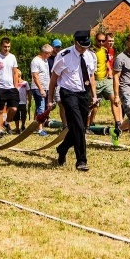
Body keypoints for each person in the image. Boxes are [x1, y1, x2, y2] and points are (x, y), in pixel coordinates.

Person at [47, 30, 97, 171]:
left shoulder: (90, 56)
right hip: (68, 93)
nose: (84, 49)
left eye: (87, 46)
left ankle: (62, 149)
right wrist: (50, 100)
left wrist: (94, 95)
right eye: (82, 46)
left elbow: (91, 76)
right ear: (76, 42)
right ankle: (81, 161)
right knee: (79, 127)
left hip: (83, 93)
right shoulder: (64, 56)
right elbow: (53, 81)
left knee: (77, 127)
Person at [88, 32, 122, 138]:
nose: (102, 43)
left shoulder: (105, 50)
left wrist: (110, 70)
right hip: (95, 81)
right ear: (95, 40)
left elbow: (106, 61)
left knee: (115, 99)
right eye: (99, 41)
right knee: (92, 105)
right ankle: (87, 125)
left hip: (106, 80)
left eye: (103, 41)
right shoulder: (90, 51)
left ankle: (118, 124)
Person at [0, 37, 19, 139]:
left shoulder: (12, 57)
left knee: (14, 109)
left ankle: (6, 122)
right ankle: (0, 130)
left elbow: (15, 73)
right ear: (1, 46)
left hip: (11, 87)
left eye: (9, 46)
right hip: (0, 87)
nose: (7, 48)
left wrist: (16, 86)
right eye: (5, 46)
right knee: (0, 110)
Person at [30, 44, 52, 136]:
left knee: (44, 108)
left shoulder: (45, 60)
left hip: (46, 87)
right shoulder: (36, 61)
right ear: (45, 52)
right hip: (38, 88)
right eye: (49, 53)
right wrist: (41, 89)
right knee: (41, 108)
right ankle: (40, 129)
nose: (50, 55)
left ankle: (35, 126)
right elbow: (35, 76)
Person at [14, 68, 31, 133]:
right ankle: (17, 128)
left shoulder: (25, 83)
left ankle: (23, 125)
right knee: (16, 116)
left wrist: (29, 100)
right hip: (16, 102)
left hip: (23, 102)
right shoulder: (13, 84)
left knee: (24, 115)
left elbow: (28, 92)